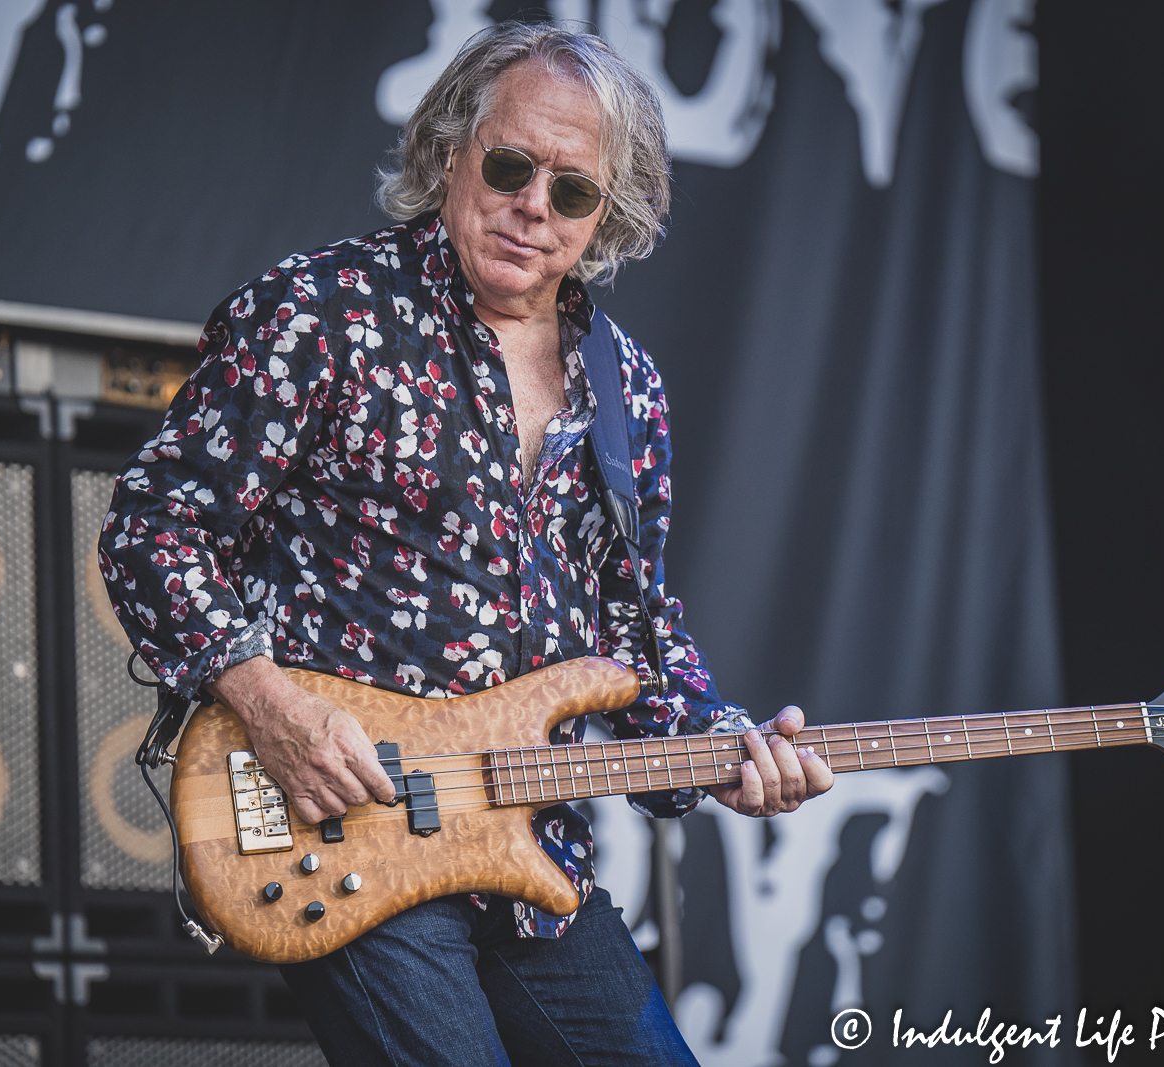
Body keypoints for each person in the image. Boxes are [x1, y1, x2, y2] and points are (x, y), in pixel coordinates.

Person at [100, 20, 833, 1067]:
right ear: (452, 153)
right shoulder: (322, 312)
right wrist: (270, 705)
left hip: (529, 854)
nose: (534, 205)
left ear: (604, 214)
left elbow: (634, 633)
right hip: (347, 826)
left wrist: (728, 746)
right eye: (508, 165)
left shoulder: (627, 388)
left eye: (571, 190)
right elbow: (152, 525)